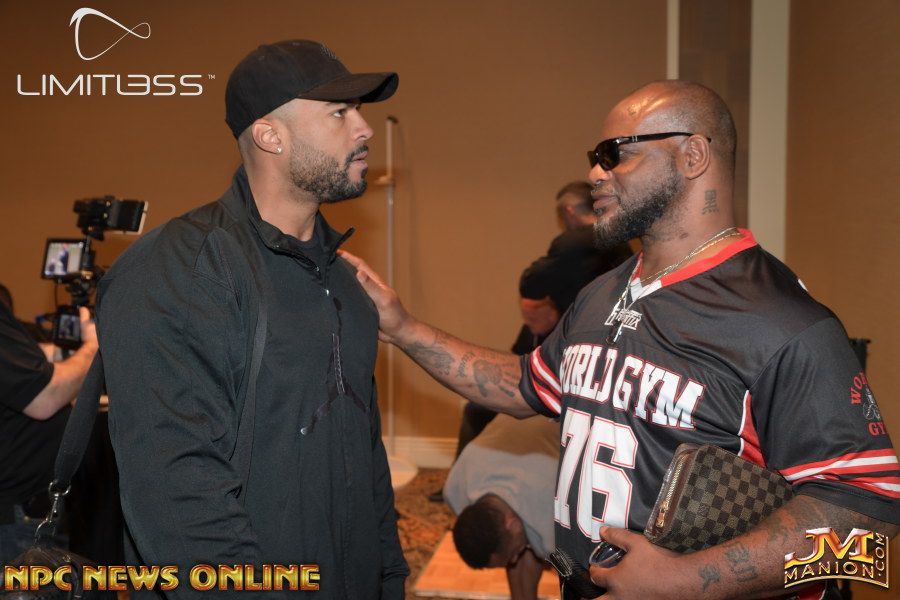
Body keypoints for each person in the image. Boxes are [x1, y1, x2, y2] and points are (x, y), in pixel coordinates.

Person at [342, 80, 899, 599]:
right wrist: (403, 327)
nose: (594, 173)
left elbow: (870, 525)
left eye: (615, 154)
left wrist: (687, 580)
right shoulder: (602, 293)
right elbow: (524, 385)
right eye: (595, 156)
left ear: (693, 156)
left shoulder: (783, 321)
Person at [96, 40, 407, 598]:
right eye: (339, 113)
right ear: (270, 135)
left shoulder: (344, 282)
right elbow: (177, 491)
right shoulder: (181, 270)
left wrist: (386, 578)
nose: (364, 129)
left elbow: (365, 455)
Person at [435, 182, 631, 502]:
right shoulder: (622, 243)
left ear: (568, 211)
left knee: (477, 408)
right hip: (606, 356)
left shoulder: (578, 241)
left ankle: (457, 485)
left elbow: (531, 282)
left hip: (574, 359)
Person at [0, 289, 98, 564]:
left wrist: (71, 350)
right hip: (14, 517)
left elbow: (19, 359)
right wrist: (93, 347)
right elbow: (44, 399)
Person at [444, 414, 558, 600]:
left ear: (512, 524)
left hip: (567, 416)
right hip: (522, 426)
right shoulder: (456, 489)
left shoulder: (550, 514)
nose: (513, 560)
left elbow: (577, 571)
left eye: (510, 555)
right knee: (521, 544)